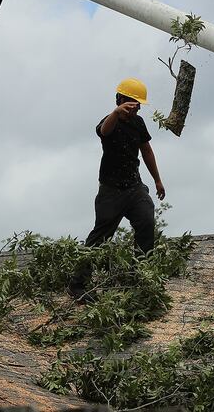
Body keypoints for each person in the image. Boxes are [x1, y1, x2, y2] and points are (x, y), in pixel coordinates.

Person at [68, 78, 166, 300]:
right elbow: (104, 130)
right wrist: (116, 112)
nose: (136, 107)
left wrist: (158, 180)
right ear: (121, 100)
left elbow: (147, 152)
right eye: (133, 102)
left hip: (134, 187)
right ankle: (77, 285)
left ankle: (140, 275)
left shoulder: (138, 123)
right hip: (111, 192)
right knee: (100, 238)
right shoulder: (109, 121)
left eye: (139, 104)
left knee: (146, 220)